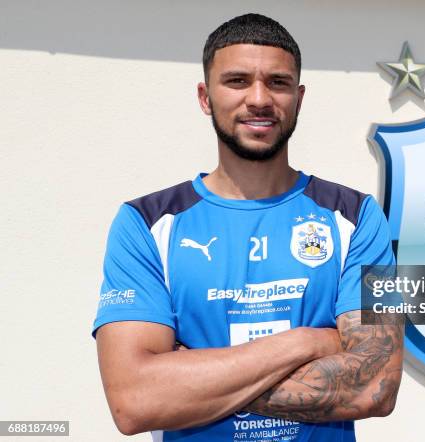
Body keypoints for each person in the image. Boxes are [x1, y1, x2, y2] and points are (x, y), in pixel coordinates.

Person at [93, 13, 403, 442]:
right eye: (237, 81)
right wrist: (307, 343)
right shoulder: (145, 224)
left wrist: (190, 377)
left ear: (299, 96)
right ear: (205, 97)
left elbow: (377, 385)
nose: (259, 99)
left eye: (277, 83)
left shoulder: (357, 217)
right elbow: (134, 401)